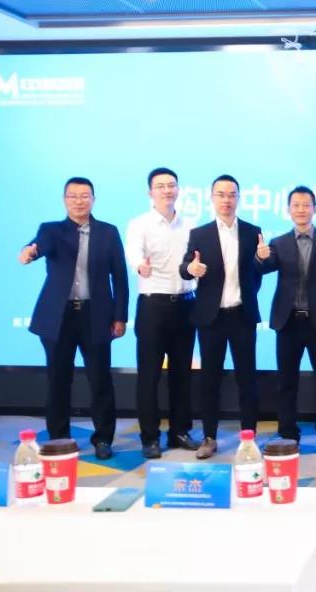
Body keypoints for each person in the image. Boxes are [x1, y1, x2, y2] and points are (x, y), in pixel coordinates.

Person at [19, 177, 128, 460]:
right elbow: (39, 246)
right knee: (58, 381)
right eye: (73, 196)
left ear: (93, 199)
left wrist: (120, 317)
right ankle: (59, 438)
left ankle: (103, 439)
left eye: (85, 195)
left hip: (96, 315)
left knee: (100, 381)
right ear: (64, 200)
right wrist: (30, 251)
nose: (79, 201)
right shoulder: (51, 230)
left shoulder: (108, 232)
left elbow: (120, 277)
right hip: (59, 318)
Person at [179, 174, 263, 459]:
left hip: (242, 315)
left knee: (247, 379)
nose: (226, 200)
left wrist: (261, 262)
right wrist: (191, 269)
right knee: (210, 380)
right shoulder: (199, 234)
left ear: (238, 197)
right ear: (212, 198)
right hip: (211, 318)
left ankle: (248, 438)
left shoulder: (252, 232)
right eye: (221, 194)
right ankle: (209, 437)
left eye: (231, 194)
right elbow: (185, 267)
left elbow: (256, 274)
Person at [259, 186, 316, 460]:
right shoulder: (278, 242)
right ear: (288, 210)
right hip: (288, 323)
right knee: (286, 383)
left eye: (306, 205)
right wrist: (259, 257)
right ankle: (288, 434)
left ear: (315, 209)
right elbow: (264, 267)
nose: (301, 210)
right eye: (295, 205)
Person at [124, 167, 199, 459]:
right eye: (161, 186)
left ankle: (180, 431)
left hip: (186, 305)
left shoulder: (190, 225)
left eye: (172, 185)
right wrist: (139, 266)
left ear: (178, 190)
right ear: (150, 192)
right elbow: (133, 252)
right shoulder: (139, 224)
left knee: (182, 374)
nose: (167, 190)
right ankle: (150, 437)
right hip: (153, 306)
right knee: (149, 376)